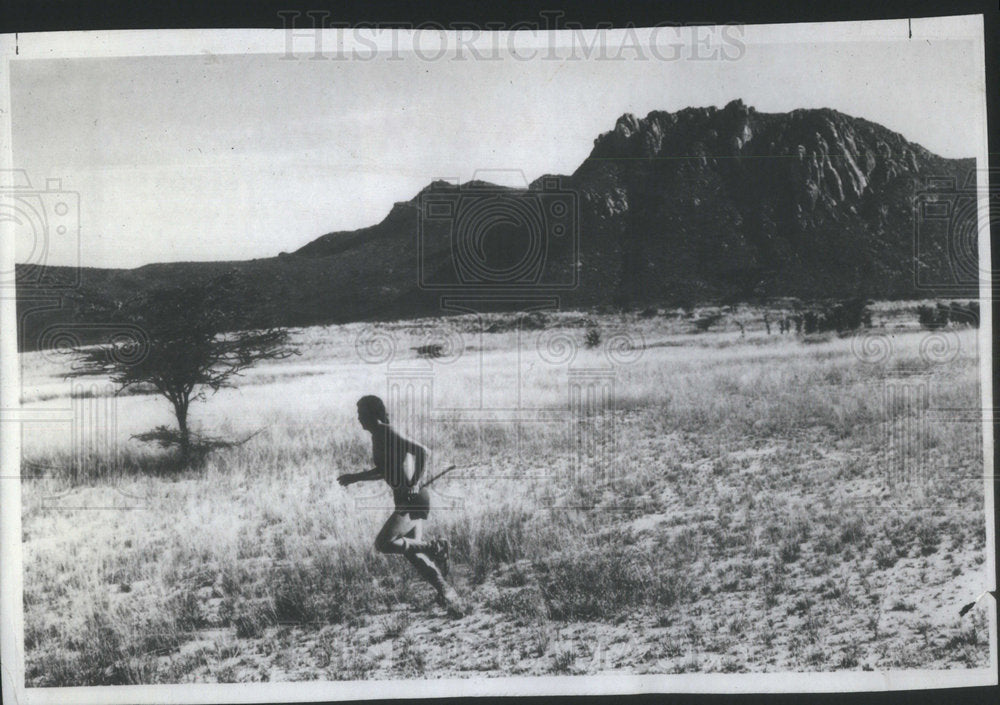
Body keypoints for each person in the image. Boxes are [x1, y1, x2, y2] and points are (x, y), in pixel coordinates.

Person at [338, 395, 463, 616]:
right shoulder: (378, 436)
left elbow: (423, 451)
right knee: (414, 554)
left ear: (371, 414)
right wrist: (355, 477)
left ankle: (436, 547)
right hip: (406, 499)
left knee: (384, 544)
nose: (358, 419)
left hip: (411, 500)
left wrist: (414, 483)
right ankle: (448, 595)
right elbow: (384, 471)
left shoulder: (387, 431)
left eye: (360, 414)